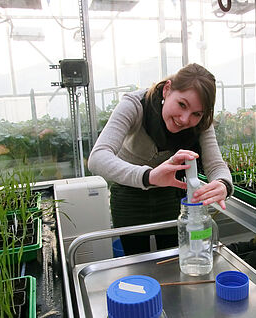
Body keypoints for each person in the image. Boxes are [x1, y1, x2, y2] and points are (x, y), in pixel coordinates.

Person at [88, 63, 233, 255]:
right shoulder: (135, 104)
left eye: (196, 114)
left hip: (170, 196)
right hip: (128, 195)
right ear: (167, 90)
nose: (184, 119)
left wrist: (223, 184)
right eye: (182, 104)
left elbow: (215, 165)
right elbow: (98, 157)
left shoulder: (202, 123)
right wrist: (148, 176)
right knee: (137, 262)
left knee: (174, 258)